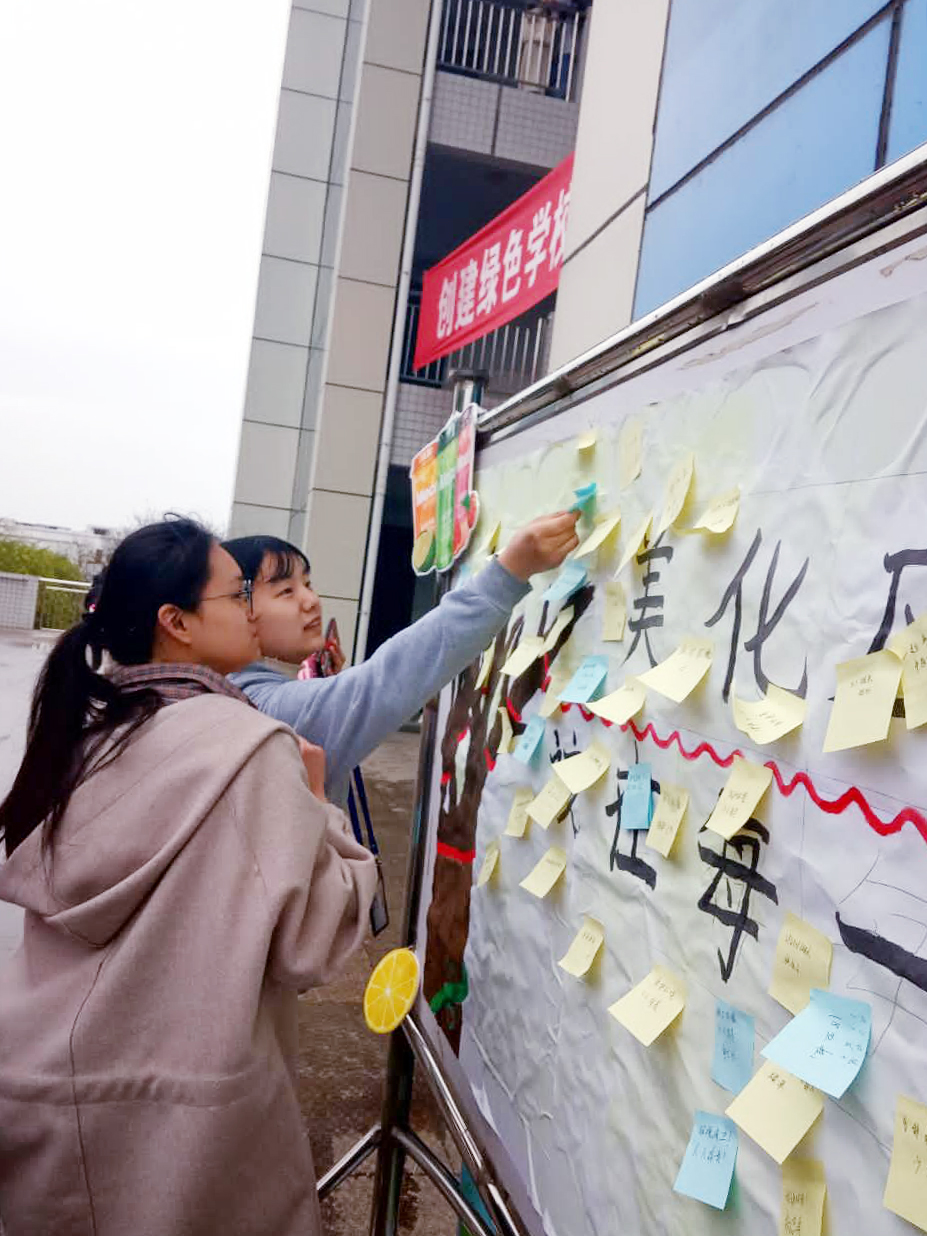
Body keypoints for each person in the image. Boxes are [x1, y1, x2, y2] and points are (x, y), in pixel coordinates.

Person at [0, 517, 376, 1236]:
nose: (254, 611)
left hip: (46, 1095)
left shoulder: (86, 732)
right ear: (176, 622)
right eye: (240, 595)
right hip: (186, 1133)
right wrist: (320, 809)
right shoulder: (249, 749)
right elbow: (313, 943)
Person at [223, 510, 580, 807]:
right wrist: (506, 575)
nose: (310, 600)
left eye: (308, 584)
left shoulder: (239, 693)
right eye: (286, 591)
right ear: (234, 609)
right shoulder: (260, 708)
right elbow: (387, 679)